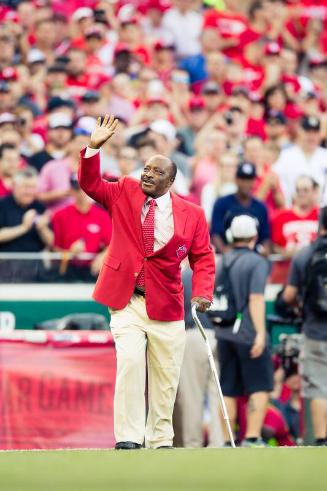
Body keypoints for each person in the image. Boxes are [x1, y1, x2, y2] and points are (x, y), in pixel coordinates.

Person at [78, 114, 215, 450]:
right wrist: (93, 148)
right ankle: (127, 437)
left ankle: (160, 440)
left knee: (166, 378)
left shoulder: (193, 214)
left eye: (157, 172)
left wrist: (202, 293)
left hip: (167, 304)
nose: (147, 174)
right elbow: (91, 185)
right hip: (126, 300)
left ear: (170, 183)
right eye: (146, 169)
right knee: (129, 363)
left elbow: (203, 257)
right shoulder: (124, 190)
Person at [216, 215, 273, 447]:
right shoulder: (257, 262)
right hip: (248, 333)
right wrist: (261, 333)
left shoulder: (224, 260)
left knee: (228, 388)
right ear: (254, 236)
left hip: (224, 332)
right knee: (259, 386)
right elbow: (256, 298)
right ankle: (251, 437)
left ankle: (229, 440)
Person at [283, 206, 327, 446]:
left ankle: (321, 440)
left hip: (315, 330)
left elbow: (289, 295)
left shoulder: (305, 255)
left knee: (319, 387)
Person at [175, 264, 224, 448]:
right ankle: (218, 443)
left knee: (191, 395)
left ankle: (193, 444)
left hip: (194, 334)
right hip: (219, 334)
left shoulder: (185, 274)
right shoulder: (220, 269)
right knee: (216, 393)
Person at [51, 175, 112, 282]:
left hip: (92, 269)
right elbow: (55, 248)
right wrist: (69, 253)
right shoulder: (59, 215)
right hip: (67, 270)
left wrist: (102, 256)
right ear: (71, 191)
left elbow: (111, 245)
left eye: (85, 187)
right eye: (77, 189)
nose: (82, 192)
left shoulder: (102, 216)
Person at [211, 161, 271, 255]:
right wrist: (224, 251)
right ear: (236, 179)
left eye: (249, 179)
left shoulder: (260, 207)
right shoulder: (222, 203)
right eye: (242, 179)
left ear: (254, 181)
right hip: (228, 257)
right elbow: (215, 233)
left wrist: (265, 251)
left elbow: (266, 236)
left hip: (254, 256)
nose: (246, 183)